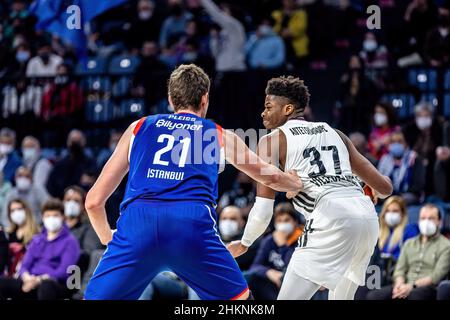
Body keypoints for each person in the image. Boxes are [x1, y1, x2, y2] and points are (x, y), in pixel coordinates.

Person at [83, 64, 302, 300]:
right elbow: (269, 176)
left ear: (170, 99)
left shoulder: (138, 127)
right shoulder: (216, 133)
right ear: (205, 98)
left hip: (138, 224)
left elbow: (93, 202)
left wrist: (109, 238)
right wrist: (294, 183)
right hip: (189, 226)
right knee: (241, 301)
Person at [228, 75, 393, 300]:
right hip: (367, 218)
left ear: (287, 109)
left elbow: (263, 209)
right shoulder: (336, 134)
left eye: (268, 107)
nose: (263, 113)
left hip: (331, 218)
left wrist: (245, 242)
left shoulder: (271, 141)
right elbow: (385, 187)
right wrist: (369, 188)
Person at [0, 199, 80, 300]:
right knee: (2, 283)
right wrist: (27, 278)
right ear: (43, 217)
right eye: (48, 216)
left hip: (54, 283)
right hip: (30, 280)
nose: (51, 219)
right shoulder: (37, 239)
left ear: (62, 217)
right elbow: (24, 266)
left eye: (55, 215)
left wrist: (38, 280)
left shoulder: (70, 241)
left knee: (46, 286)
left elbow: (64, 271)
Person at [366, 204, 450, 300]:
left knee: (414, 296)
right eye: (423, 218)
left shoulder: (446, 246)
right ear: (418, 221)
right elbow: (399, 270)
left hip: (427, 288)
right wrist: (399, 284)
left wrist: (411, 286)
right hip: (403, 285)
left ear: (439, 222)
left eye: (431, 218)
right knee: (373, 296)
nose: (426, 222)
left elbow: (436, 276)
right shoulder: (409, 243)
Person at [245, 202, 302, 300]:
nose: (283, 224)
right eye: (279, 220)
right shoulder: (269, 240)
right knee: (251, 278)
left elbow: (289, 268)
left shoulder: (301, 239)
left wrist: (283, 245)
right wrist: (269, 272)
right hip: (273, 284)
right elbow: (255, 266)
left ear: (295, 222)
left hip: (293, 285)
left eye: (287, 220)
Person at [377, 131, 426, 204]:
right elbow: (378, 180)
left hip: (408, 194)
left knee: (402, 199)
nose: (396, 144)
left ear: (406, 143)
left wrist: (399, 194)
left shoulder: (414, 159)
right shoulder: (384, 160)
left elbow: (418, 184)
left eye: (400, 142)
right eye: (393, 142)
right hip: (389, 194)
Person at [46, 130, 96, 199]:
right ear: (68, 142)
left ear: (84, 142)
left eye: (78, 141)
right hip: (63, 200)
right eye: (73, 141)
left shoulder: (90, 163)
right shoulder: (60, 164)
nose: (75, 144)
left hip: (85, 200)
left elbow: (95, 183)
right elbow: (51, 185)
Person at [200, 0, 246, 72]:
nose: (222, 14)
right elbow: (215, 54)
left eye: (224, 11)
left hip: (235, 69)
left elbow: (216, 14)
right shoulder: (222, 32)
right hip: (222, 70)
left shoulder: (236, 26)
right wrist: (214, 39)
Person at [4, 199, 40, 276]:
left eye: (19, 209)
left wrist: (22, 249)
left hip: (28, 272)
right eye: (12, 211)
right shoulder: (8, 233)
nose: (16, 213)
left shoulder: (37, 233)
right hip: (10, 272)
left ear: (26, 210)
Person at [218, 205, 258, 271]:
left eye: (233, 219)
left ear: (242, 222)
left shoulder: (249, 242)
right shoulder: (211, 239)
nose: (228, 222)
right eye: (224, 218)